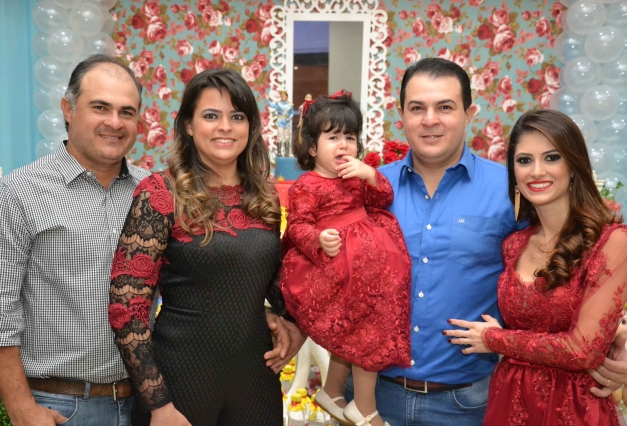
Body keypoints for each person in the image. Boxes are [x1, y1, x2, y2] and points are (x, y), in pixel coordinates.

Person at [360, 57, 627, 425]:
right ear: (401, 113)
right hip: (373, 397)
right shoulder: (369, 190)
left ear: (469, 113)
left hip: (468, 405)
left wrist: (618, 334)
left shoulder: (511, 192)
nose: (430, 119)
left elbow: (572, 263)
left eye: (445, 107)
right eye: (417, 108)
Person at [108, 68, 304, 426]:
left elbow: (276, 285)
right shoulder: (160, 193)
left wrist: (294, 324)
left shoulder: (264, 197)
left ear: (250, 126)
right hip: (179, 384)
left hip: (256, 379)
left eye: (237, 116)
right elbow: (127, 307)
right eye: (211, 116)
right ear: (188, 125)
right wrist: (158, 404)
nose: (225, 127)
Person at [0, 54, 148, 426]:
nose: (114, 122)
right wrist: (21, 408)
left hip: (145, 404)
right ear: (68, 109)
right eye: (100, 107)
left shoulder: (152, 192)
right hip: (59, 408)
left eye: (126, 112)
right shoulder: (17, 194)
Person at [444, 109, 627, 425]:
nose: (536, 171)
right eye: (524, 160)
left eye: (552, 158)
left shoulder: (612, 241)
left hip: (574, 409)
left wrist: (495, 339)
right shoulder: (514, 244)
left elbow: (582, 350)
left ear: (574, 166)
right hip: (508, 401)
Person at [280, 91, 412, 426]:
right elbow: (297, 226)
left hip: (365, 269)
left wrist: (369, 175)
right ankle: (364, 407)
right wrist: (318, 239)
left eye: (350, 138)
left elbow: (382, 199)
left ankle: (332, 390)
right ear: (312, 147)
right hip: (336, 267)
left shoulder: (355, 177)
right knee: (366, 330)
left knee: (357, 329)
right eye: (333, 137)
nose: (343, 145)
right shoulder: (307, 185)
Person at [267, 90, 294, 157]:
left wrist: (290, 117)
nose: (282, 97)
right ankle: (279, 152)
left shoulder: (290, 105)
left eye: (284, 96)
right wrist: (267, 99)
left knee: (287, 137)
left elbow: (292, 112)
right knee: (280, 137)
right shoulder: (278, 104)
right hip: (280, 122)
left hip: (287, 122)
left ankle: (287, 152)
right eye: (281, 96)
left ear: (286, 96)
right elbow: (271, 105)